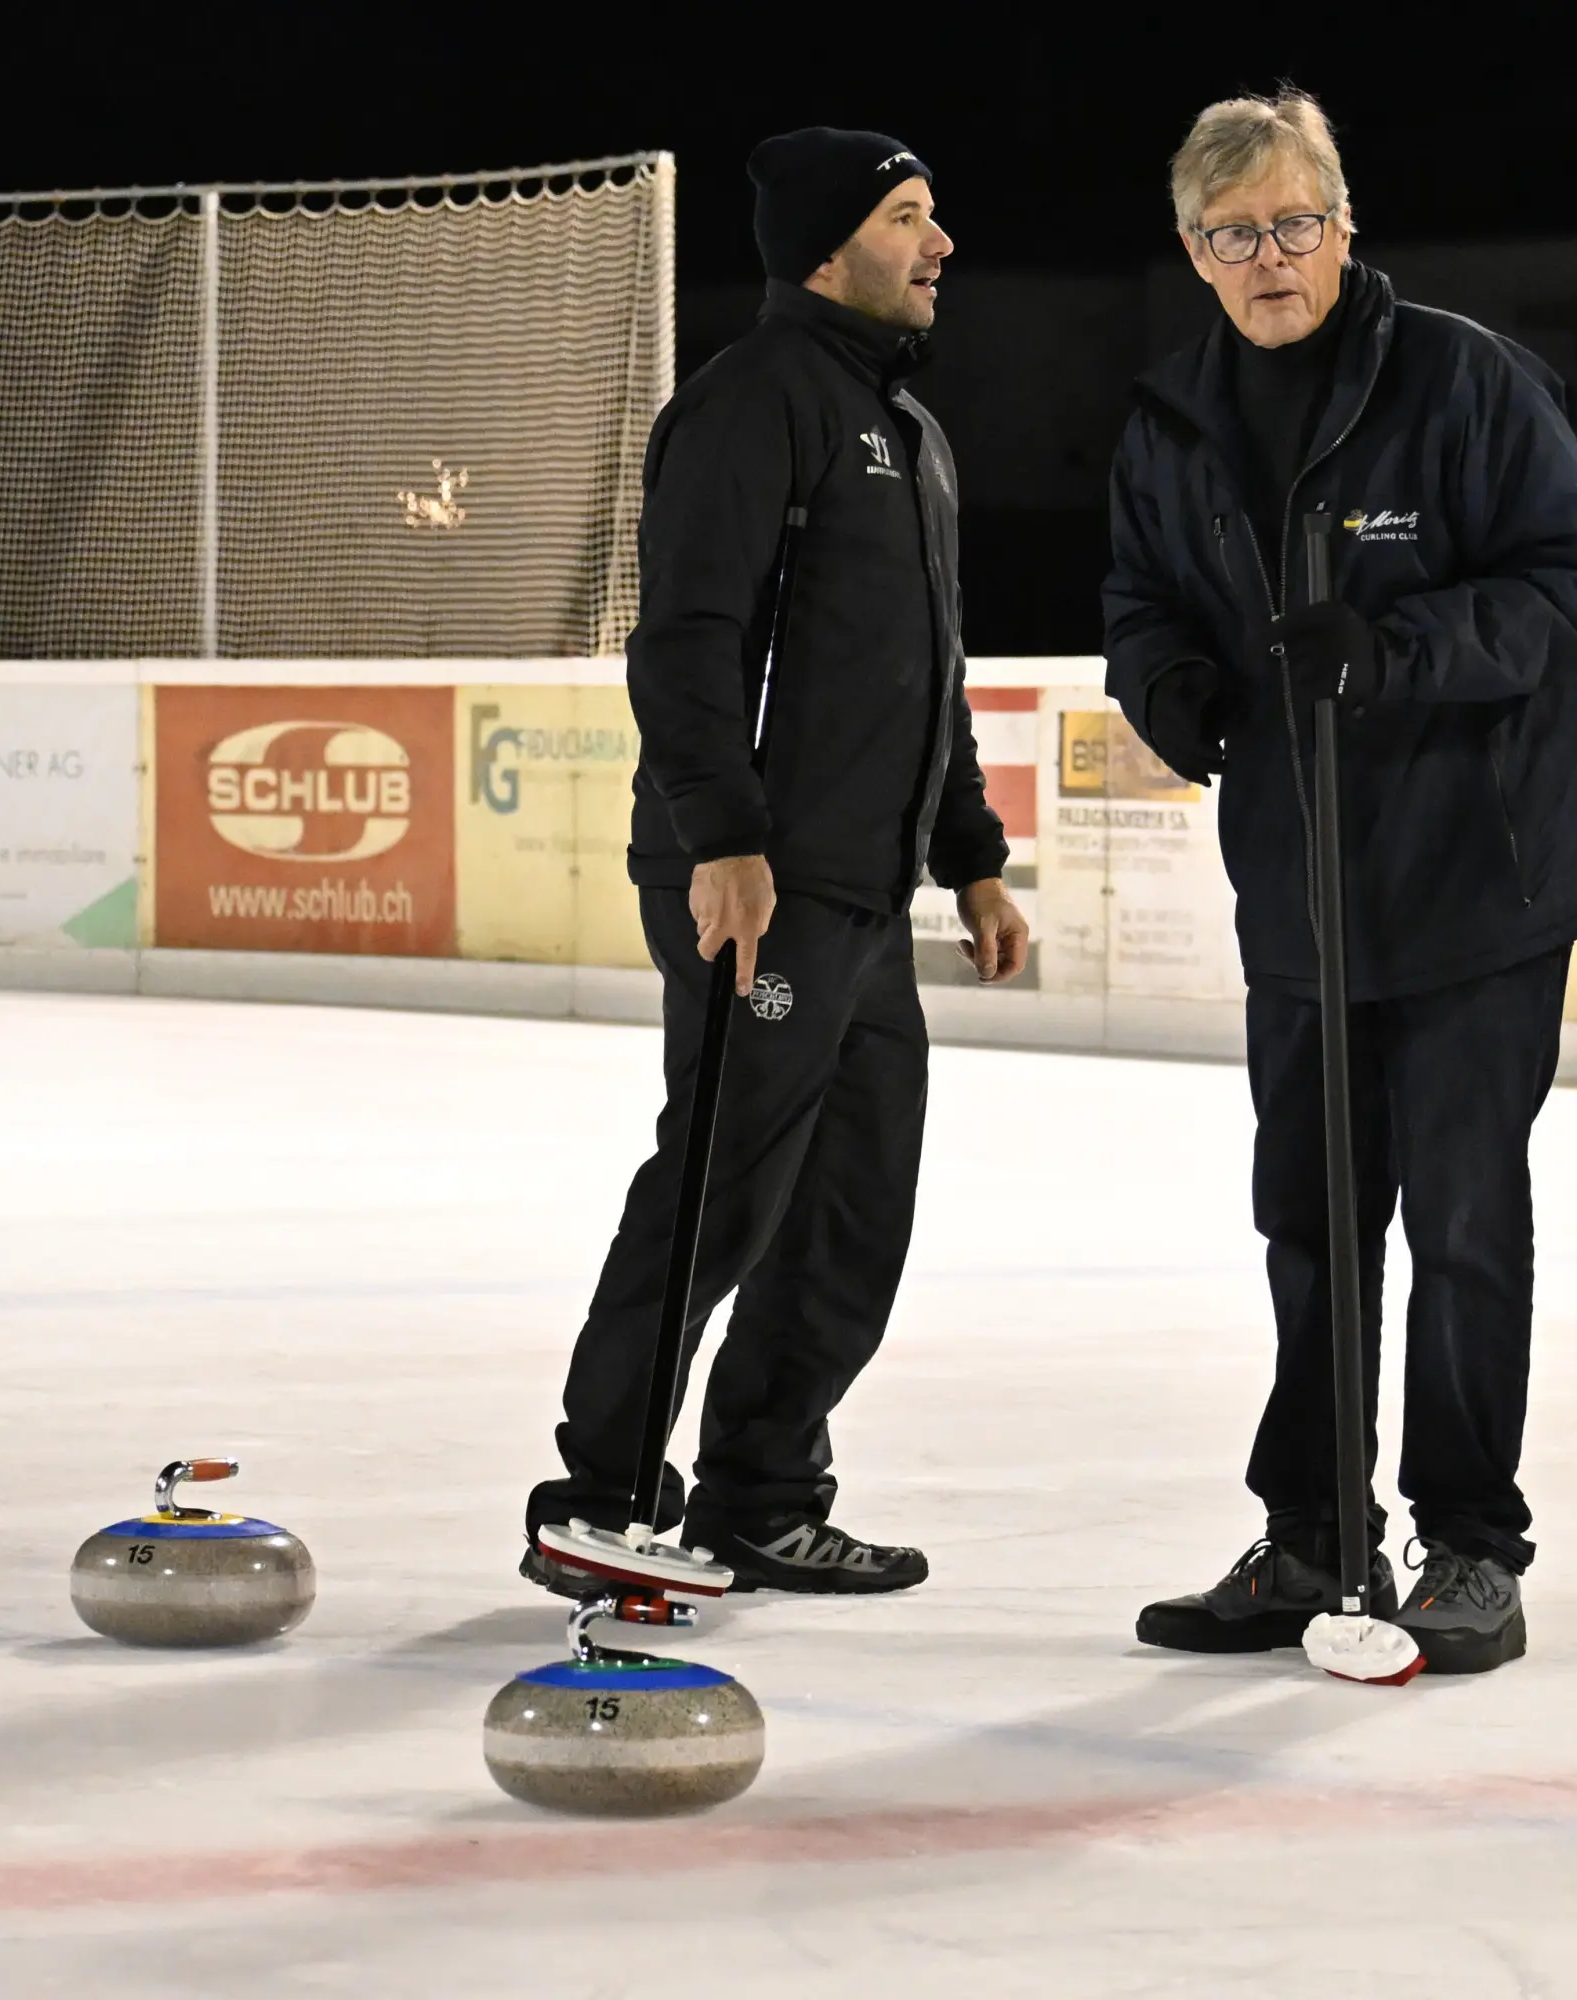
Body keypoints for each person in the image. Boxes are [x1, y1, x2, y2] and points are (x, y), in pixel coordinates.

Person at [1103, 92, 1577, 1672]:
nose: (1270, 258)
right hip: (1308, 896)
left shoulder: (1463, 381)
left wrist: (1391, 652)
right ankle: (1316, 1535)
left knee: (1462, 1222)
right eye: (1234, 234)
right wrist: (1169, 686)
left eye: (1294, 224)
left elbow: (1576, 588)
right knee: (1313, 1227)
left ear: (1344, 226)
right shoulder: (1174, 422)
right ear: (1193, 255)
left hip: (1480, 884)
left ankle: (1469, 1546)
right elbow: (1138, 601)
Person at [522, 129, 1030, 1598]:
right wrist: (723, 839)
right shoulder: (750, 407)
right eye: (910, 217)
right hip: (758, 878)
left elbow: (928, 676)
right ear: (827, 246)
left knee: (858, 1199)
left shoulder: (913, 435)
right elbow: (683, 645)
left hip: (866, 894)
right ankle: (600, 1489)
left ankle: (762, 1490)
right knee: (723, 1184)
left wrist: (974, 856)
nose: (941, 245)